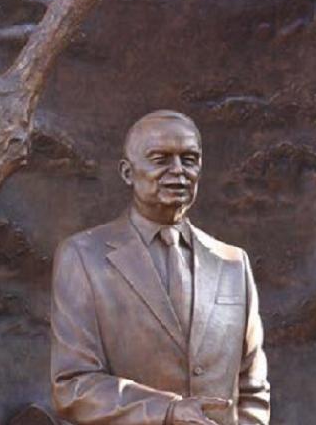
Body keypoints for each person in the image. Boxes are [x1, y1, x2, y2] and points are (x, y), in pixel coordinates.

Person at [51, 110, 271, 425]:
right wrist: (166, 411)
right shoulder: (83, 257)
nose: (178, 170)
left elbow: (252, 390)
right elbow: (72, 386)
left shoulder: (234, 263)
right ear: (128, 172)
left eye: (189, 159)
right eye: (161, 159)